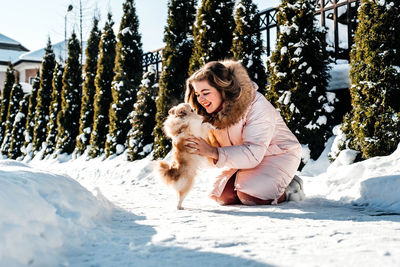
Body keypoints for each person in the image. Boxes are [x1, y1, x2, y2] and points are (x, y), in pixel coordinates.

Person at [184, 60, 303, 205]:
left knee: (252, 195)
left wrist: (214, 152)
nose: (201, 99)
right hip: (246, 157)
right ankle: (261, 182)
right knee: (223, 197)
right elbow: (211, 155)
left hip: (279, 154)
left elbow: (253, 152)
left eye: (205, 93)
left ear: (223, 89)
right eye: (197, 94)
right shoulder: (211, 113)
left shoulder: (256, 104)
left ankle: (289, 187)